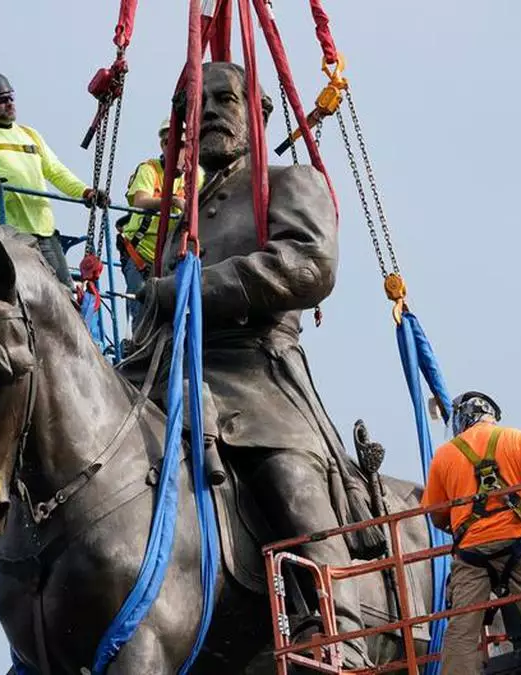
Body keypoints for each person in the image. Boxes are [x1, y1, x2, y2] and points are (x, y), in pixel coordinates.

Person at [122, 61, 376, 669]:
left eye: (223, 99)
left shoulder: (290, 182)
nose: (206, 112)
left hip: (257, 374)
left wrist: (192, 288)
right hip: (169, 372)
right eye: (192, 105)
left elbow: (311, 265)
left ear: (257, 114)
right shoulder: (175, 216)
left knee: (288, 480)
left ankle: (340, 631)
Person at [422, 391, 521, 675]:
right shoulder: (517, 438)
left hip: (471, 552)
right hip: (518, 543)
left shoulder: (444, 455)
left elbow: (437, 516)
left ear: (463, 419)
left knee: (462, 627)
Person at [0, 72, 107, 292]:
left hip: (43, 232)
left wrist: (85, 192)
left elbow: (56, 172)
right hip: (1, 230)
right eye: (2, 99)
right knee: (7, 295)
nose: (9, 103)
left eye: (11, 97)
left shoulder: (30, 135)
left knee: (65, 296)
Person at [116, 119, 204, 327]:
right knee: (142, 313)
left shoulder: (197, 177)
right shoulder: (150, 170)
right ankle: (138, 351)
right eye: (171, 143)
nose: (177, 149)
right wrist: (172, 201)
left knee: (174, 316)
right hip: (140, 256)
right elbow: (140, 201)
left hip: (171, 257)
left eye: (184, 145)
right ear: (163, 146)